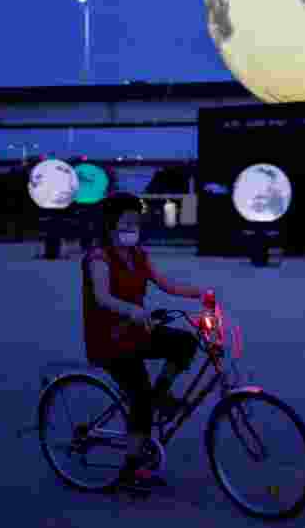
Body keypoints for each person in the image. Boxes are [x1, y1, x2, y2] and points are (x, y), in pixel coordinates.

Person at [81, 193, 210, 485]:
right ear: (111, 224)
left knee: (185, 342)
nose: (132, 228)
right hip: (109, 339)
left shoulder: (138, 255)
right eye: (126, 222)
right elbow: (101, 297)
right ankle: (131, 468)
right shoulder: (99, 257)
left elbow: (165, 284)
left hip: (138, 331)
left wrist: (199, 293)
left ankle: (160, 394)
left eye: (135, 223)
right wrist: (131, 310)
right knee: (139, 399)